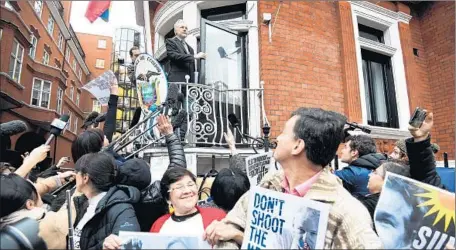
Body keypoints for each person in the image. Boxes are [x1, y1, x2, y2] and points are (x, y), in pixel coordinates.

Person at [204, 107, 382, 249]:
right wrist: (233, 237)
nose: (278, 138)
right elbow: (231, 225)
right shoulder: (269, 184)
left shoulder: (346, 213)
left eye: (283, 132)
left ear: (298, 146)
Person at [72, 152, 140, 250]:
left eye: (76, 172)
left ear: (85, 178)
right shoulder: (83, 201)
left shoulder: (122, 209)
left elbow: (129, 244)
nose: (74, 176)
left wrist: (105, 246)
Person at [0, 173, 78, 249]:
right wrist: (80, 188)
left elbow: (21, 193)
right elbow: (70, 210)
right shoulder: (43, 226)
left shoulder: (6, 209)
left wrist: (57, 179)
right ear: (30, 204)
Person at [150, 167, 226, 238]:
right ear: (168, 198)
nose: (187, 191)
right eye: (179, 187)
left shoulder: (217, 217)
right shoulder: (158, 225)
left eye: (190, 185)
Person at [165, 19, 206, 85]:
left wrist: (193, 84)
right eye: (182, 27)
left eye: (186, 28)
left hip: (189, 84)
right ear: (175, 31)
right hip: (176, 82)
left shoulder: (190, 49)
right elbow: (174, 56)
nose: (184, 29)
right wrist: (194, 56)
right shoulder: (170, 41)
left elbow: (192, 68)